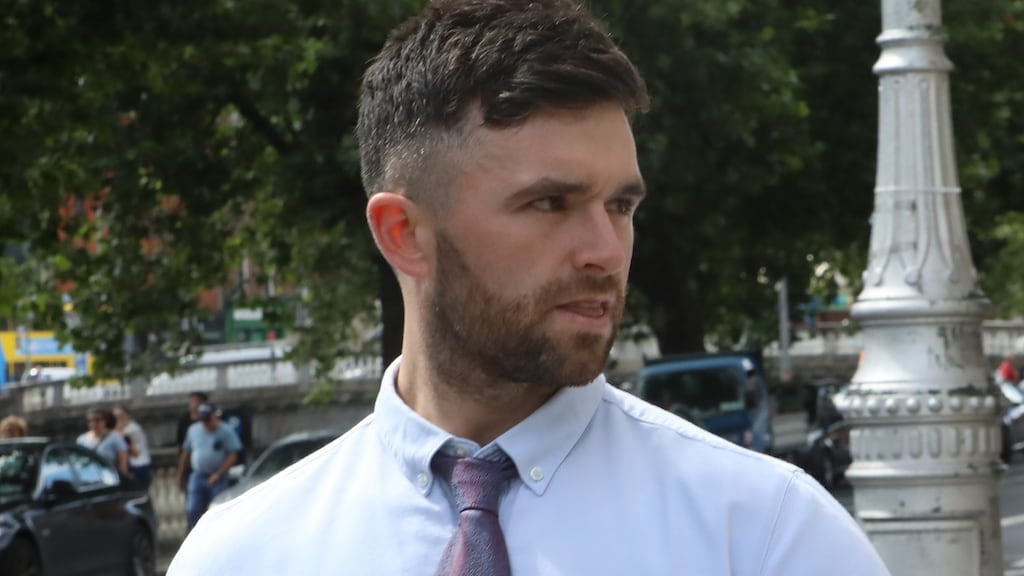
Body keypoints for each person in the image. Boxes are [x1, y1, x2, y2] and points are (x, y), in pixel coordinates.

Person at [170, 1, 891, 574]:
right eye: (549, 204)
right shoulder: (242, 555)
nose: (606, 252)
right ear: (402, 234)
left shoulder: (765, 536)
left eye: (620, 206)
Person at [177, 403, 242, 531]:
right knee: (193, 509)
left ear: (214, 416)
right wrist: (180, 475)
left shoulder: (225, 431)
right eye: (203, 420)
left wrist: (219, 473)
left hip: (218, 477)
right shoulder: (193, 430)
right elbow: (186, 453)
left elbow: (233, 455)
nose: (205, 423)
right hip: (198, 476)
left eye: (208, 419)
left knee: (218, 509)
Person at [77, 407, 129, 475]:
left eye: (97, 420)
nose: (93, 423)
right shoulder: (81, 439)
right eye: (90, 420)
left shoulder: (115, 438)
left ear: (105, 421)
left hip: (109, 478)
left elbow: (122, 464)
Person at [113, 404, 153, 488]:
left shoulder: (132, 428)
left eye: (121, 416)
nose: (119, 419)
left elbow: (117, 435)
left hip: (139, 466)